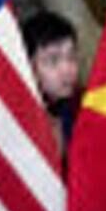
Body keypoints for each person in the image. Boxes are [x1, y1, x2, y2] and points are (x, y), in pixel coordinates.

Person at [22, 11, 81, 162]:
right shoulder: (19, 123)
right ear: (28, 66)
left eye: (72, 56)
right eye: (53, 60)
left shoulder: (84, 105)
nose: (68, 69)